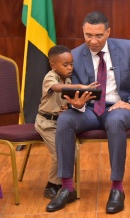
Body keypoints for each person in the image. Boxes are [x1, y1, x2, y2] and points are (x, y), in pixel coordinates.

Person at [45, 11, 130, 213]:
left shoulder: (127, 48)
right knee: (65, 120)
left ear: (108, 32)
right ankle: (67, 188)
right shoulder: (74, 55)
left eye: (98, 36)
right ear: (83, 31)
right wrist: (75, 103)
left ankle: (117, 189)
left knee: (116, 120)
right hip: (89, 109)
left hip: (118, 108)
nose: (93, 41)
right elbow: (72, 88)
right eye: (88, 35)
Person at [35, 45, 99, 200]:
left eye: (71, 64)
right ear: (53, 66)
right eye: (65, 65)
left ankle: (64, 184)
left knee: (71, 152)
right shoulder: (50, 77)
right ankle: (52, 185)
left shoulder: (68, 79)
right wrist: (79, 87)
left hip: (61, 124)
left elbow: (69, 100)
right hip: (47, 124)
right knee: (59, 154)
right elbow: (57, 88)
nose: (70, 67)